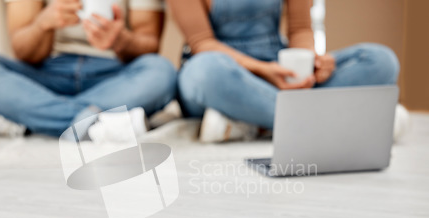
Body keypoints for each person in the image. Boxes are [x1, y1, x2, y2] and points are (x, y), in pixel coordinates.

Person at [168, 0, 402, 143]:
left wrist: (310, 62)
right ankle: (338, 123)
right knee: (203, 72)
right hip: (225, 72)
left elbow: (300, 29)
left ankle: (254, 121)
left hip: (277, 67)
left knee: (380, 60)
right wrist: (262, 71)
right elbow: (202, 43)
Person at [0, 0, 177, 139]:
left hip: (112, 75)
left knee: (161, 73)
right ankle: (92, 124)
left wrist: (120, 40)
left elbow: (149, 44)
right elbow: (24, 51)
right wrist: (43, 24)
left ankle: (24, 115)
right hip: (46, 73)